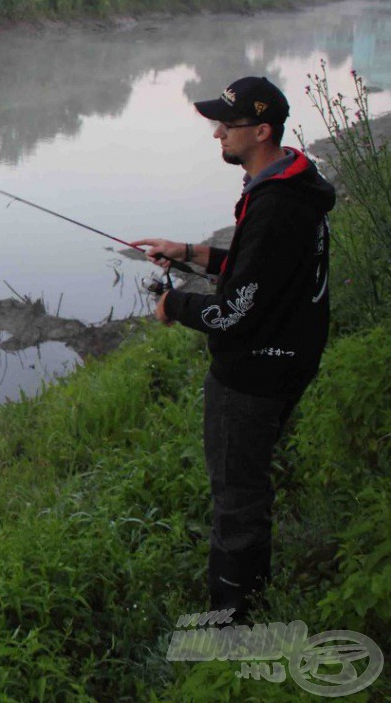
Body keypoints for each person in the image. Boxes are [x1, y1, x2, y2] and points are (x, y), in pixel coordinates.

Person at [134, 76, 335, 622]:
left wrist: (173, 307)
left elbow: (236, 311)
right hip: (287, 359)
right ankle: (247, 605)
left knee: (237, 498)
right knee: (246, 486)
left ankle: (233, 625)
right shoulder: (291, 184)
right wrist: (190, 252)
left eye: (228, 123)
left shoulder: (275, 207)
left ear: (262, 130)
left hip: (254, 375)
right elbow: (259, 273)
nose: (217, 132)